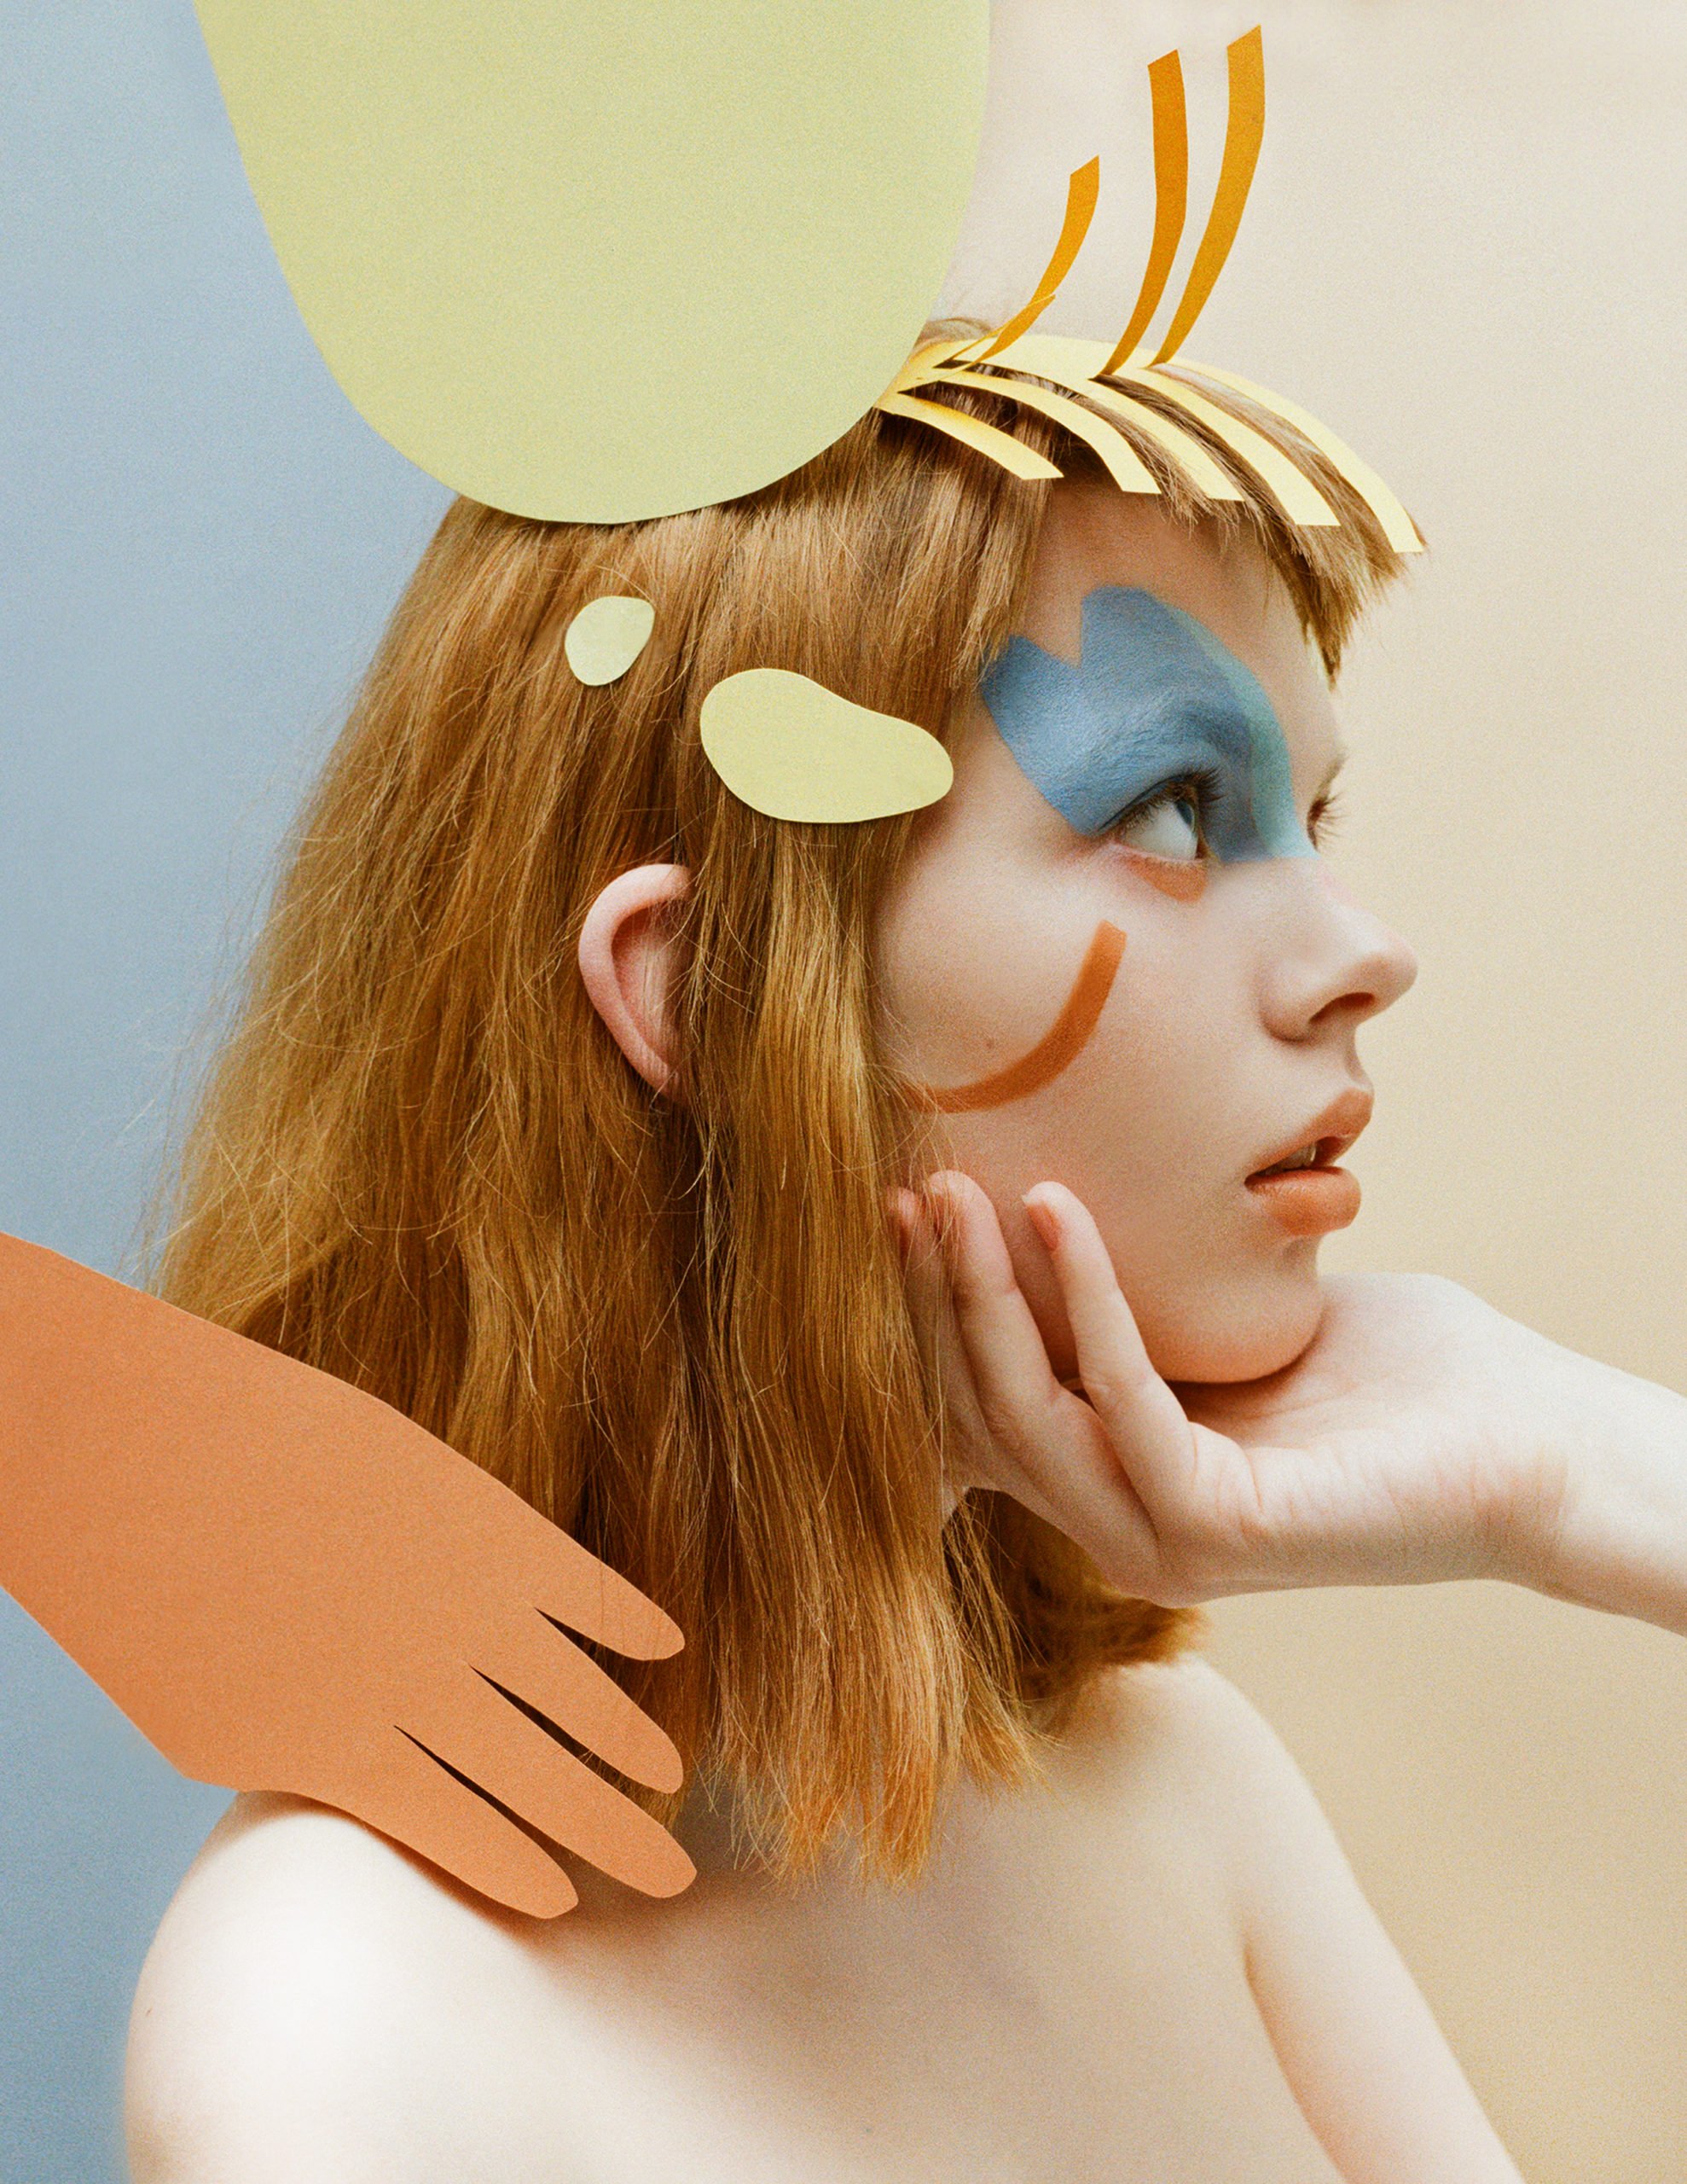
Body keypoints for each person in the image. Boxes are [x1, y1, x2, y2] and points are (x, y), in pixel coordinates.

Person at [118, 346, 1687, 2183]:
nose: (1361, 953)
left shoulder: (1161, 1776)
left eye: (1309, 819)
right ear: (705, 991)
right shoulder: (338, 2014)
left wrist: (1578, 1471)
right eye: (1175, 809)